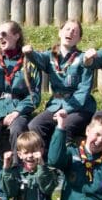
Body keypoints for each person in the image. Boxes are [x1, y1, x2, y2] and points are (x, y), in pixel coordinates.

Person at [26, 18, 95, 146]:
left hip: (80, 108)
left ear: (79, 39)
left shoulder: (83, 59)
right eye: (67, 29)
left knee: (64, 127)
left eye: (75, 31)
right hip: (56, 105)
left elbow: (84, 89)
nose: (70, 33)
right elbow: (39, 60)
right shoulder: (50, 56)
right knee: (35, 125)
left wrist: (67, 110)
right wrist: (29, 53)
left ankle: (64, 157)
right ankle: (45, 156)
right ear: (60, 32)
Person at [0, 20, 41, 153]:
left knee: (17, 129)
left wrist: (17, 112)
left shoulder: (29, 61)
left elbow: (35, 96)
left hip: (18, 108)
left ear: (16, 36)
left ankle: (16, 164)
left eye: (4, 34)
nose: (0, 37)